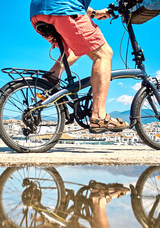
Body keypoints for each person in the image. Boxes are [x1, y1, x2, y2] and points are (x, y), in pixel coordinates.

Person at [30, 0, 129, 133]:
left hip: (37, 13)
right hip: (63, 9)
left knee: (76, 46)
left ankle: (51, 77)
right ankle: (99, 116)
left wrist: (95, 13)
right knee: (103, 54)